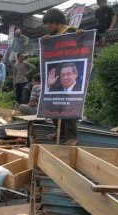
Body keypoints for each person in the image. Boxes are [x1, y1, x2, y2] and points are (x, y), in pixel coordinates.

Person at [42, 8, 82, 146]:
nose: (46, 26)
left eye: (47, 23)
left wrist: (81, 36)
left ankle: (72, 136)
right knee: (53, 104)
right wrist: (47, 41)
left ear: (55, 21)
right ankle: (61, 132)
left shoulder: (71, 31)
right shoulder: (52, 35)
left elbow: (84, 46)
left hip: (68, 74)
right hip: (56, 76)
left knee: (68, 105)